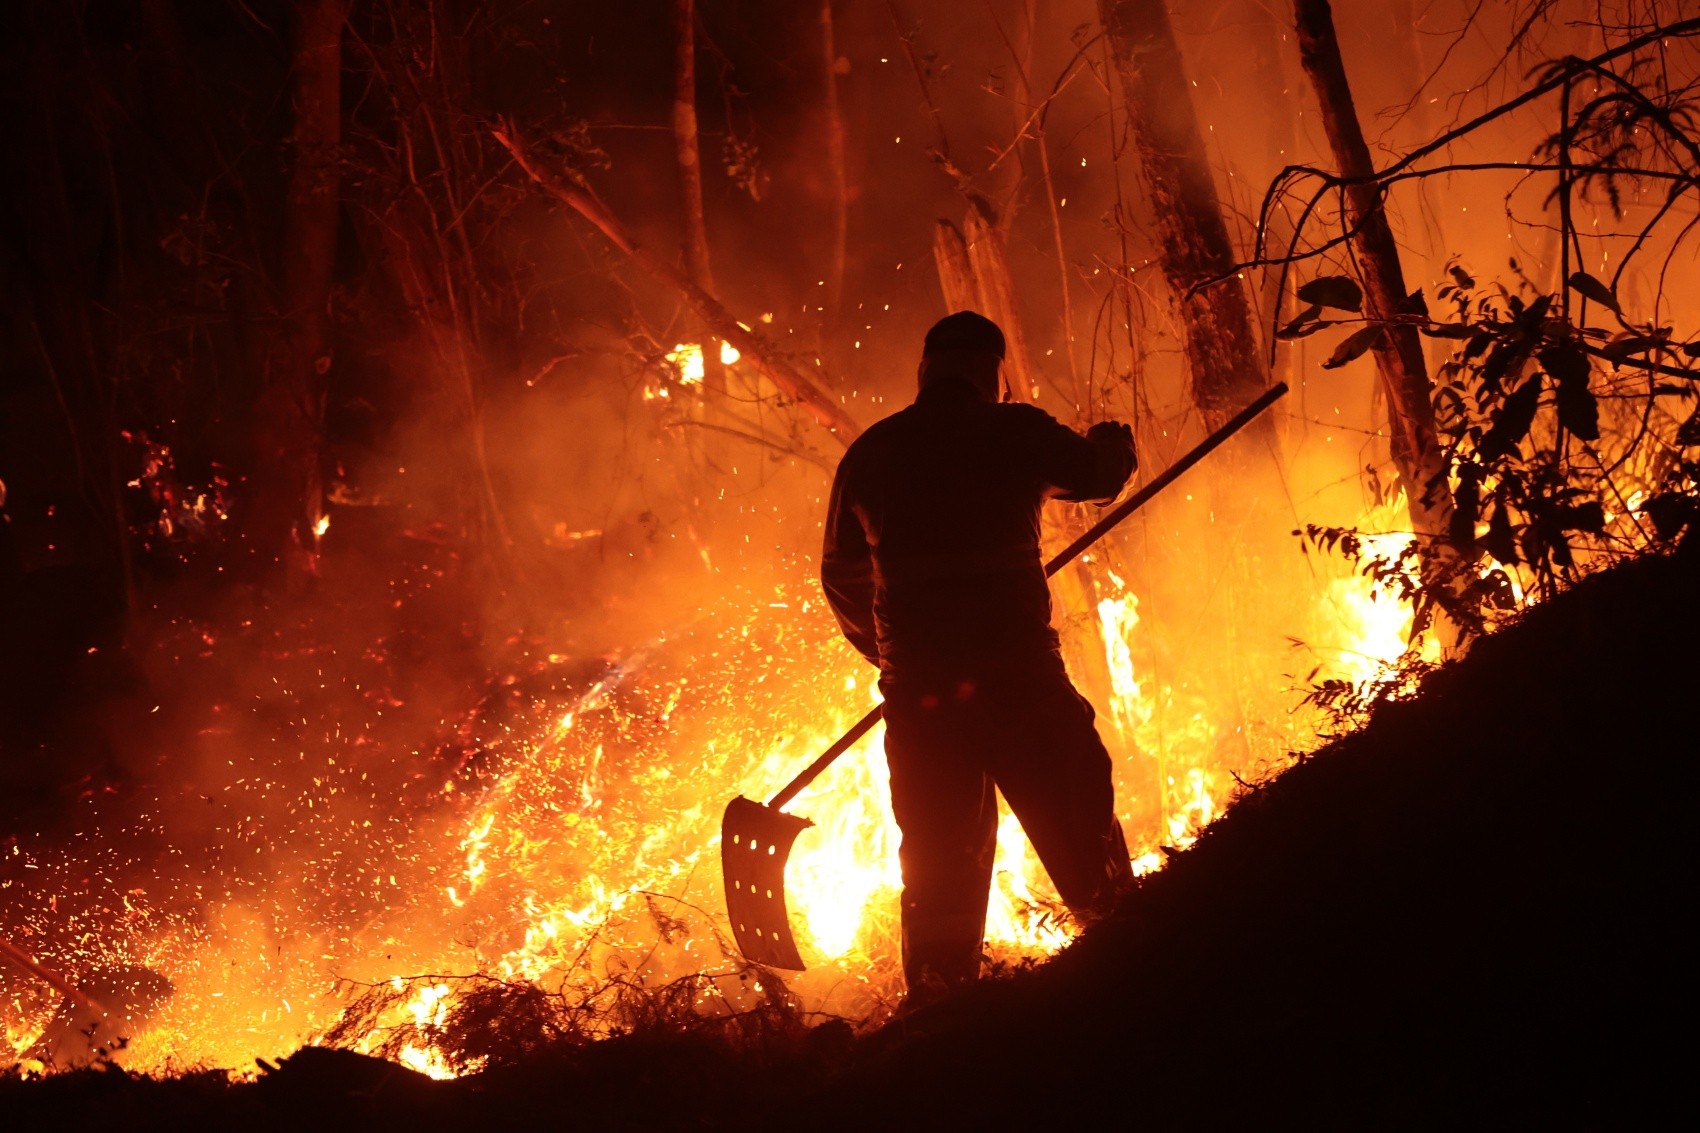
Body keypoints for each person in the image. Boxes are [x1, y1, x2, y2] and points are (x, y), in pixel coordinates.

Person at [821, 310, 1138, 997]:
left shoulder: (872, 453)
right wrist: (1114, 443)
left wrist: (891, 657)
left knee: (938, 868)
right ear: (992, 376)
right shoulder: (1014, 431)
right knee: (1082, 833)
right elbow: (1095, 472)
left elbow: (840, 575)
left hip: (925, 702)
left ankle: (940, 1014)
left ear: (926, 372)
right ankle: (1139, 979)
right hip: (1019, 679)